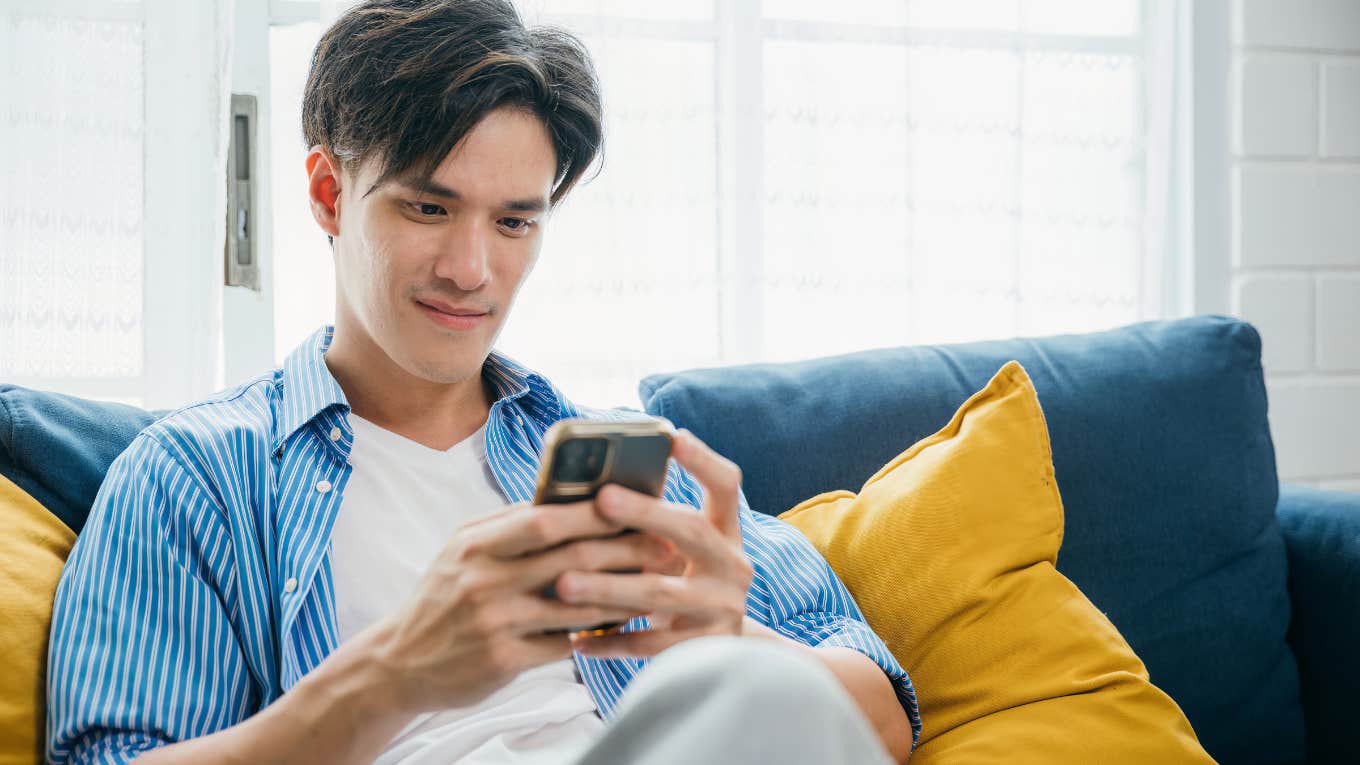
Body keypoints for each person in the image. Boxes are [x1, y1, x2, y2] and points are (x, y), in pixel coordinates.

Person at [46, 1, 920, 763]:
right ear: (327, 192)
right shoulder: (198, 476)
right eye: (428, 207)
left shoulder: (621, 466)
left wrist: (735, 639)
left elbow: (876, 723)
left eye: (513, 222)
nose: (473, 269)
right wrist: (394, 672)